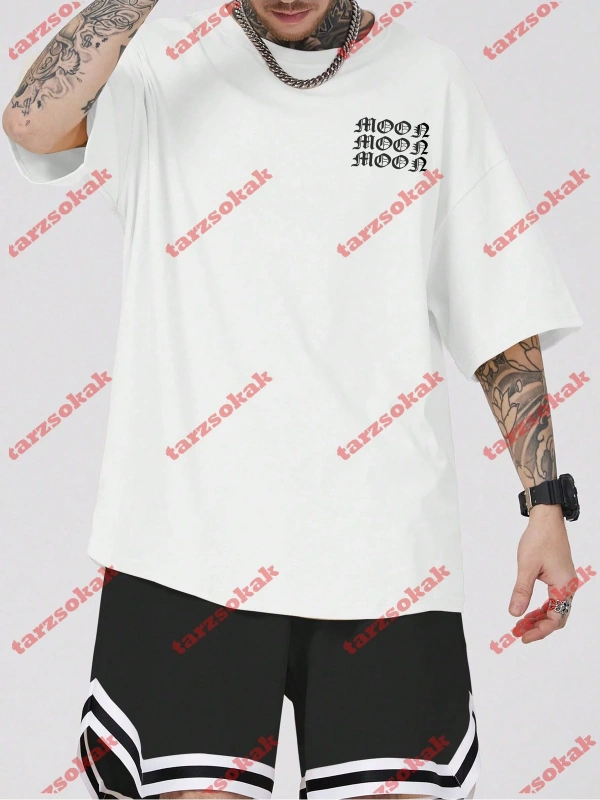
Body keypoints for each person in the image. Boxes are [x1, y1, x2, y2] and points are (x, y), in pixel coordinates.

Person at [3, 0, 584, 798]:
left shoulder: (428, 79)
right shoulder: (159, 60)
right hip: (186, 544)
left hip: (383, 553)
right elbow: (31, 125)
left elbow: (500, 305)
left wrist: (545, 502)